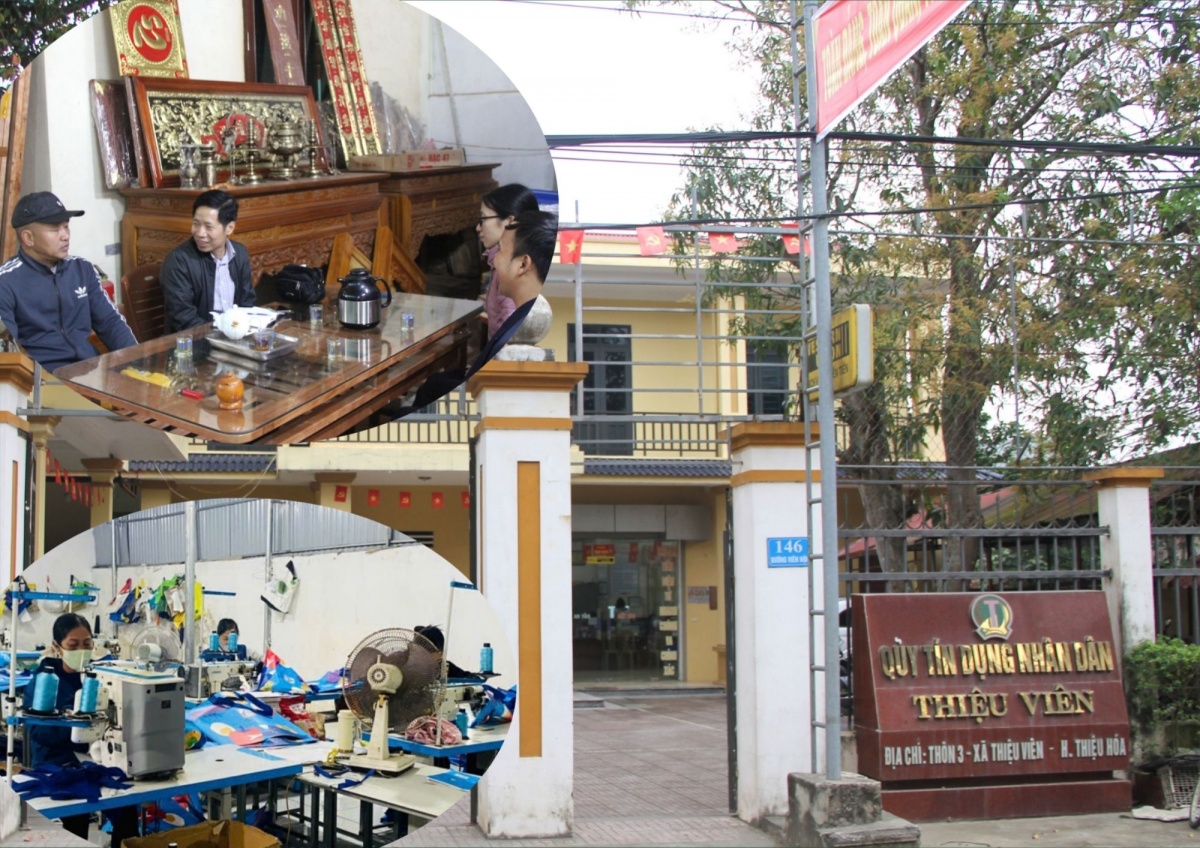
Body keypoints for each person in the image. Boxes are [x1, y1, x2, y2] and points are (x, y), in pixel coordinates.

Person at [380, 210, 558, 419]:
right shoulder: (520, 316)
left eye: (500, 251)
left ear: (522, 264)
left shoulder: (522, 324)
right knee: (431, 387)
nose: (493, 260)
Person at [22, 613, 138, 846]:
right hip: (57, 762)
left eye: (87, 644)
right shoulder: (45, 681)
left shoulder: (99, 677)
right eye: (73, 645)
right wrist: (76, 727)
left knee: (127, 811)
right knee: (76, 818)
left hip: (95, 759)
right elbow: (37, 731)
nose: (82, 650)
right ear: (57, 647)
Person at [0, 192, 137, 372]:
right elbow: (7, 353)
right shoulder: (6, 282)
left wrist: (138, 364)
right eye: (55, 229)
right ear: (28, 238)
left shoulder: (82, 269)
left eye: (66, 226)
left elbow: (110, 322)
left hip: (90, 370)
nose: (65, 236)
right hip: (45, 379)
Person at [160, 189, 255, 333]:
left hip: (234, 335)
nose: (200, 233)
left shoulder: (239, 253)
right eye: (196, 224)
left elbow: (247, 303)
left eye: (208, 227)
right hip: (195, 340)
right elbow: (183, 317)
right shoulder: (179, 260)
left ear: (229, 228)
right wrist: (221, 334)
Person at [476, 184, 539, 338]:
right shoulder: (500, 257)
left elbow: (510, 328)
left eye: (483, 219)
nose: (478, 227)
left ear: (510, 221)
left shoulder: (510, 266)